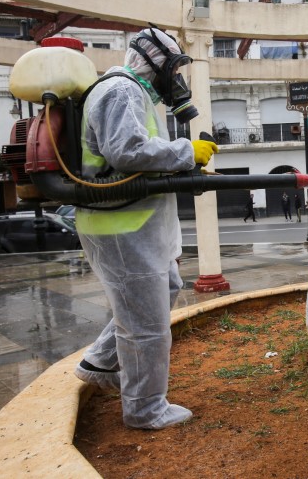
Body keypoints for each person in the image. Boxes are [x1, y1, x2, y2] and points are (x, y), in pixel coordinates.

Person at [72, 27, 218, 430]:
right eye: (172, 72)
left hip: (133, 224)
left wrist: (185, 159)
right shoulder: (121, 91)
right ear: (153, 64)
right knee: (146, 327)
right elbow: (127, 151)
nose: (177, 82)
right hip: (123, 227)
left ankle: (100, 363)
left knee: (163, 290)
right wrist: (188, 151)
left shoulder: (132, 94)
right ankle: (144, 409)